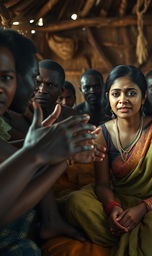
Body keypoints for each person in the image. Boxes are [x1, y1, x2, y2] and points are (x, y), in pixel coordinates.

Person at [58, 65, 152, 255]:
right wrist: (111, 207)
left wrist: (143, 208)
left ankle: (132, 233)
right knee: (76, 202)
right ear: (108, 97)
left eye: (131, 93)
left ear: (144, 96)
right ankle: (123, 228)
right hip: (119, 198)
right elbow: (103, 184)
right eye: (116, 94)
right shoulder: (102, 133)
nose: (123, 100)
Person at [0, 29, 98, 256]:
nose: (39, 88)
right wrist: (36, 153)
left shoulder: (65, 115)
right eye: (35, 78)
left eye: (6, 77)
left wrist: (59, 156)